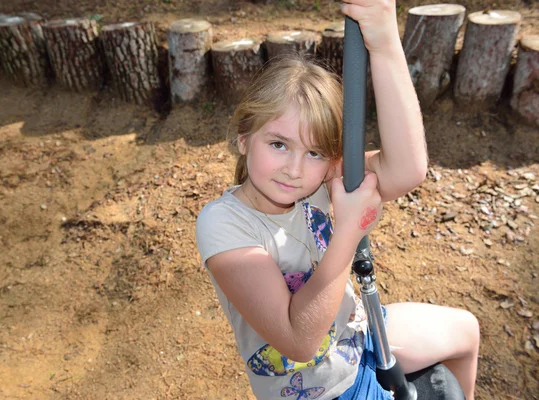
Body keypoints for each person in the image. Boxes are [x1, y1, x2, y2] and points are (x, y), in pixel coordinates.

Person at [195, 1, 480, 399]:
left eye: (314, 152)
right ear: (244, 139)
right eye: (278, 144)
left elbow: (406, 169)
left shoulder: (316, 181)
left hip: (359, 334)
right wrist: (349, 230)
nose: (294, 169)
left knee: (465, 330)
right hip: (326, 388)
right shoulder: (224, 224)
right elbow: (299, 340)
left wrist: (383, 42)